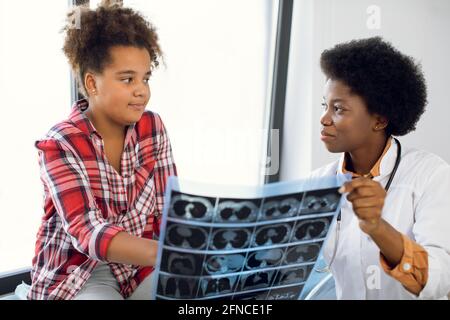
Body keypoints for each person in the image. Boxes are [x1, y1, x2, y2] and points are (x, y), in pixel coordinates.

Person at [28, 0, 177, 300]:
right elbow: (88, 232)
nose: (142, 90)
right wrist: (167, 252)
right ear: (92, 84)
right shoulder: (59, 144)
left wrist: (192, 252)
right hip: (81, 272)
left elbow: (168, 210)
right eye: (128, 79)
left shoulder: (153, 128)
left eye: (145, 78)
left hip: (140, 267)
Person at [311, 37, 450, 299]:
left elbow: (440, 280)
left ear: (380, 120)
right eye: (324, 106)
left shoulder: (431, 175)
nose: (323, 119)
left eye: (338, 109)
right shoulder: (316, 184)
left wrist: (377, 227)